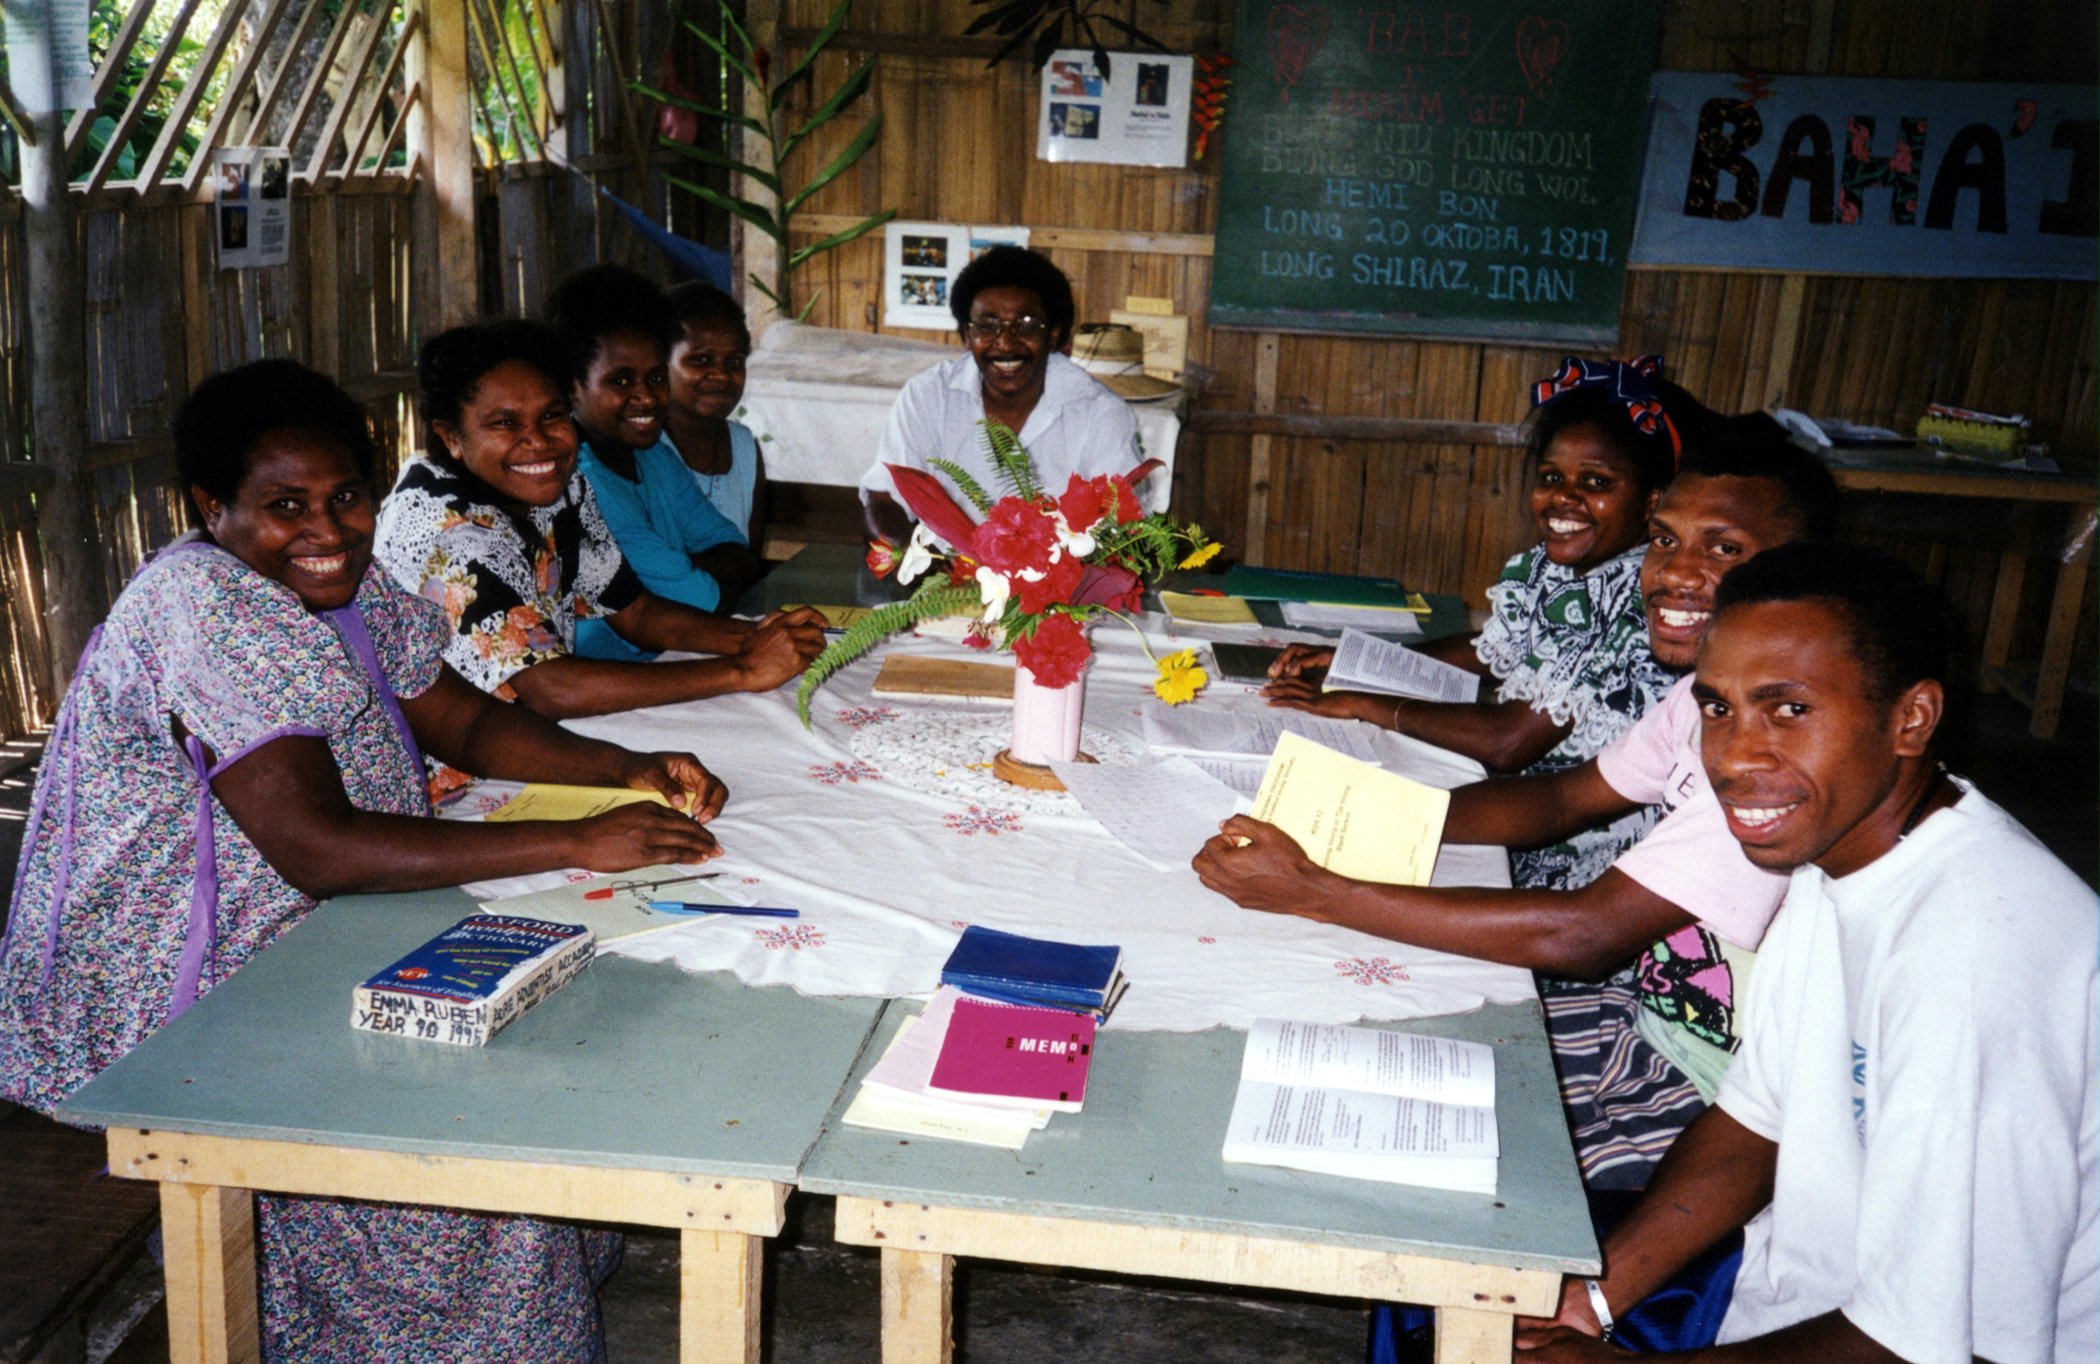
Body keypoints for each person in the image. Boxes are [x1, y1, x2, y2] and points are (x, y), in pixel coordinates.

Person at [0, 359, 730, 1358]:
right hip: (187, 982)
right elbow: (316, 847)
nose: (328, 527)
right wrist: (574, 835)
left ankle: (516, 1277)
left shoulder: (343, 579)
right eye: (284, 504)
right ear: (211, 506)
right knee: (460, 1111)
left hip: (321, 917)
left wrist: (627, 767)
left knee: (559, 1004)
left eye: (346, 495)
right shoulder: (208, 607)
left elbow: (459, 715)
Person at [1195, 432, 1843, 1189]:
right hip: (1641, 1015)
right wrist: (1350, 818)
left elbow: (1583, 934)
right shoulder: (1698, 697)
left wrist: (1318, 893)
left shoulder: (1779, 756)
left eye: (1723, 549)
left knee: (1375, 1152)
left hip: (1709, 1088)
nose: (1675, 573)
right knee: (1323, 1036)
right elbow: (1561, 797)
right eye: (1666, 541)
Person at [1517, 541, 2098, 1363]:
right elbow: (1757, 1121)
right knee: (1463, 1288)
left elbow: (1924, 1347)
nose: (1736, 758)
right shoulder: (1841, 858)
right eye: (1718, 709)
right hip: (1791, 1293)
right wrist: (1593, 1301)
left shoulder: (1974, 953)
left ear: (1912, 719)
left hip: (1922, 1346)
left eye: (1788, 709)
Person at [1266, 356, 1714, 891]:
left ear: (1652, 503)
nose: (1564, 498)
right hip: (1515, 804)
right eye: (1551, 478)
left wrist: (1363, 701)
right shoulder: (1556, 567)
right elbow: (1492, 649)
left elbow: (1510, 742)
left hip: (1580, 852)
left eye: (1595, 482)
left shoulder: (1633, 600)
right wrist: (1356, 661)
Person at [374, 318, 823, 741]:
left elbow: (634, 612)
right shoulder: (444, 530)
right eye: (505, 423)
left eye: (552, 415)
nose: (538, 441)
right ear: (451, 436)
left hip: (530, 737)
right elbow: (549, 687)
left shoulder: (560, 489)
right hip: (447, 775)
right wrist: (742, 669)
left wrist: (761, 638)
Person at [544, 265, 763, 656]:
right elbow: (704, 602)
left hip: (668, 657)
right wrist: (687, 576)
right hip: (603, 684)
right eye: (621, 381)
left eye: (657, 378)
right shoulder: (580, 480)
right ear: (572, 388)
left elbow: (737, 553)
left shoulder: (655, 458)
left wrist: (674, 571)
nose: (646, 398)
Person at [860, 245, 1144, 546]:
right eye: (988, 325)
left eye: (1026, 325)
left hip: (1061, 586)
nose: (1006, 343)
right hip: (945, 583)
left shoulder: (1100, 412)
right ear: (967, 336)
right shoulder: (928, 396)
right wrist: (934, 574)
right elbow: (884, 500)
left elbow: (1124, 527)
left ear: (1053, 335)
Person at [665, 279, 767, 548]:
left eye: (734, 362)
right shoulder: (646, 448)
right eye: (700, 360)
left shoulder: (744, 448)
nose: (722, 375)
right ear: (661, 363)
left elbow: (750, 561)